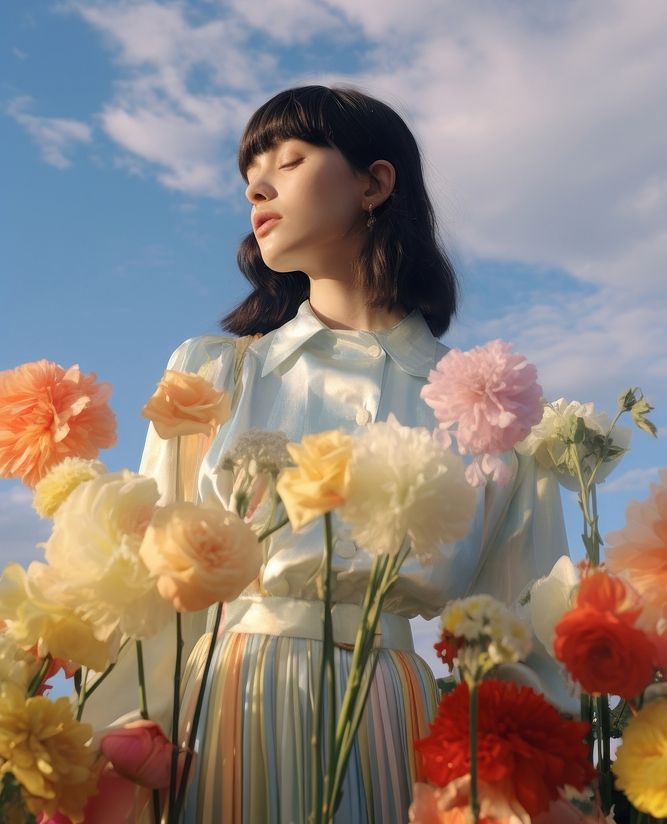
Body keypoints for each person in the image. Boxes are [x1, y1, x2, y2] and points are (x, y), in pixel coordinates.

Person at [85, 85, 570, 823]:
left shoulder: (487, 406)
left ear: (374, 183)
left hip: (398, 714)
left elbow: (521, 633)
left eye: (289, 159)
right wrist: (110, 750)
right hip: (233, 704)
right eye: (250, 172)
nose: (256, 185)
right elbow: (152, 587)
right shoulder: (217, 374)